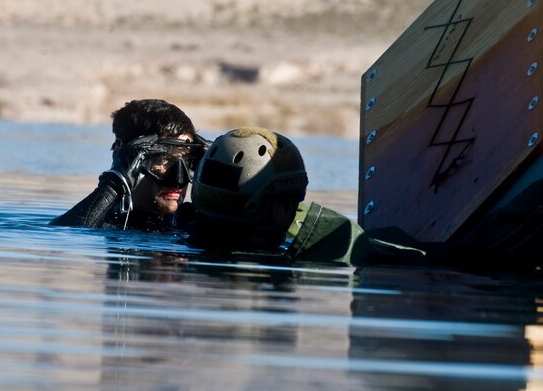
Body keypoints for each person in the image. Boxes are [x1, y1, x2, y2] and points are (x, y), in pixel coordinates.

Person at [187, 127, 543, 272]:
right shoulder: (335, 246)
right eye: (295, 202)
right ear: (279, 211)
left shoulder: (179, 233)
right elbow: (467, 256)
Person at [50, 99, 209, 231]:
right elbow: (63, 236)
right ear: (125, 156)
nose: (178, 178)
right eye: (163, 158)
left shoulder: (193, 223)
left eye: (188, 160)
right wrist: (115, 183)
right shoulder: (101, 221)